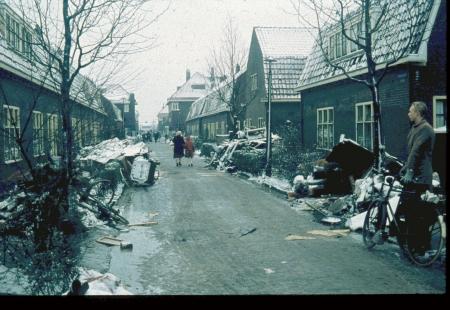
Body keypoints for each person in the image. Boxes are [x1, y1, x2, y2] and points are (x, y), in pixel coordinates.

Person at [373, 101, 435, 252]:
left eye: (410, 111)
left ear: (418, 113)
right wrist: (402, 170)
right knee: (406, 210)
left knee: (416, 214)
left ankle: (419, 247)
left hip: (420, 178)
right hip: (413, 176)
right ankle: (407, 243)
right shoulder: (415, 128)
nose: (408, 114)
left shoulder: (425, 129)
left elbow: (416, 151)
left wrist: (410, 172)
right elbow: (410, 154)